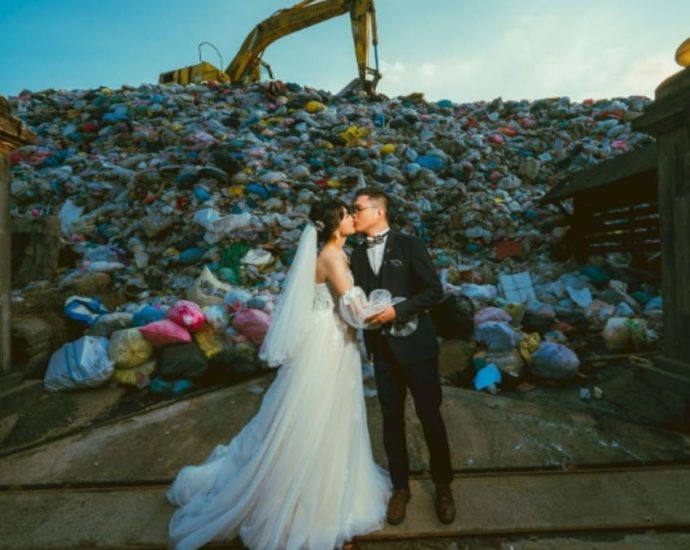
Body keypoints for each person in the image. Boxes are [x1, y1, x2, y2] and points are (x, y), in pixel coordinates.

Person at [167, 199, 391, 550]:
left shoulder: (334, 253)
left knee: (325, 415)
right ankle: (307, 500)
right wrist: (389, 307)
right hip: (327, 343)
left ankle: (325, 485)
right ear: (335, 226)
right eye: (348, 215)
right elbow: (356, 311)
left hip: (332, 339)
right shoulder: (332, 257)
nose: (352, 218)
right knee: (318, 416)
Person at [350, 187, 455, 526]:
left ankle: (443, 485)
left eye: (358, 208)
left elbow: (433, 291)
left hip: (417, 347)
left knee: (430, 416)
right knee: (390, 419)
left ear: (379, 212)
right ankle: (400, 488)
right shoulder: (356, 254)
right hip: (382, 350)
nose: (354, 215)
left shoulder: (409, 245)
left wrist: (399, 311)